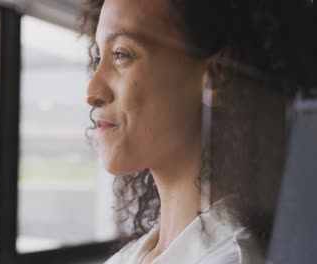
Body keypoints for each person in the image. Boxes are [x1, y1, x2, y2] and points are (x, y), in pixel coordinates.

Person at [80, 0, 316, 263]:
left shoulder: (230, 259)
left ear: (216, 75)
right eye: (98, 57)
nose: (92, 93)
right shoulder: (126, 258)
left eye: (121, 54)